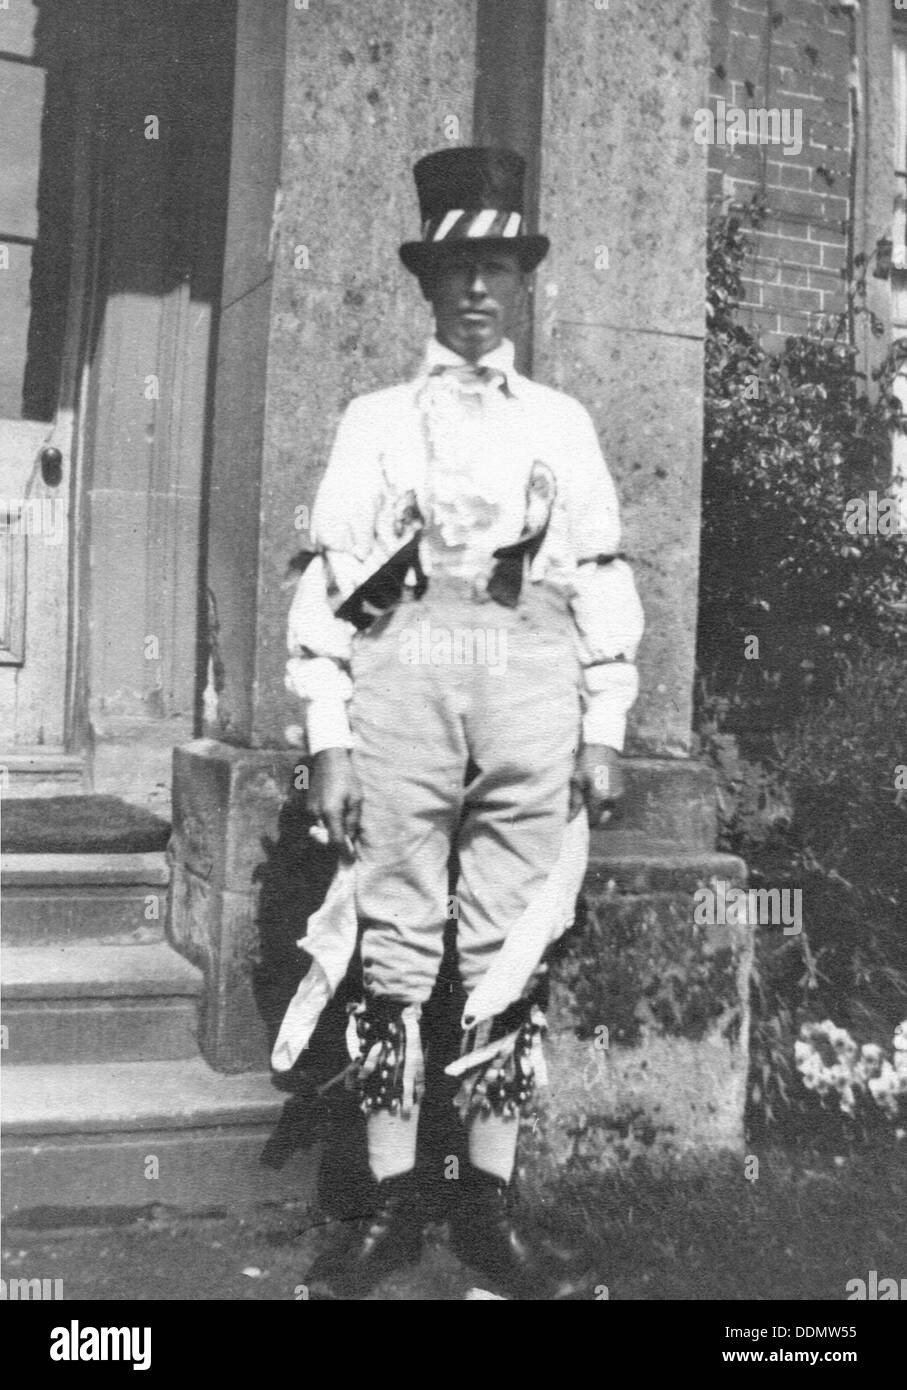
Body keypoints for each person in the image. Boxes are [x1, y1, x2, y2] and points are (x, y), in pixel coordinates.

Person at [284, 147, 644, 1298]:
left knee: (507, 946)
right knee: (393, 942)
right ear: (427, 284)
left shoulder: (560, 423)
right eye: (455, 269)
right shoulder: (375, 420)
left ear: (522, 281)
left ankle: (488, 1206)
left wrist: (604, 724)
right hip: (404, 693)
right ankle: (389, 1203)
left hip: (530, 695)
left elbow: (596, 572)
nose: (476, 290)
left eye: (495, 267)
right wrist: (329, 737)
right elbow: (335, 583)